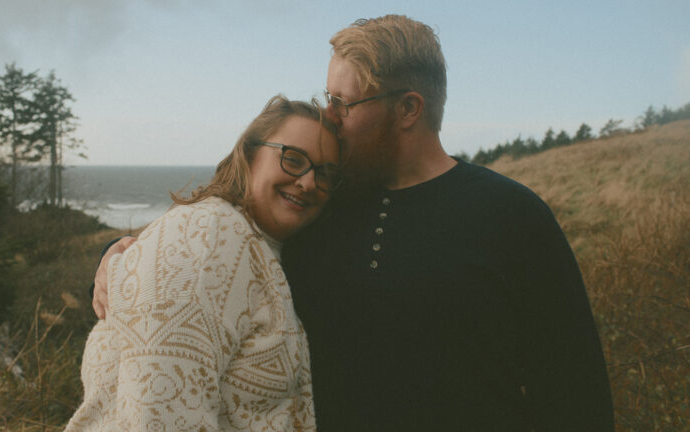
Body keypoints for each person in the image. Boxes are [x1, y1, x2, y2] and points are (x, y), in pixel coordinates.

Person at [93, 15, 614, 431]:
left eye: (343, 103)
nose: (330, 118)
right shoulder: (321, 205)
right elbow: (218, 256)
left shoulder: (512, 215)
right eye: (327, 99)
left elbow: (572, 387)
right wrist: (121, 256)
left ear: (408, 108)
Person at [66, 95, 341, 431]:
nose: (309, 181)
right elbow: (160, 415)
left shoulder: (260, 245)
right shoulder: (208, 237)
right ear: (251, 153)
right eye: (293, 159)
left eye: (325, 174)